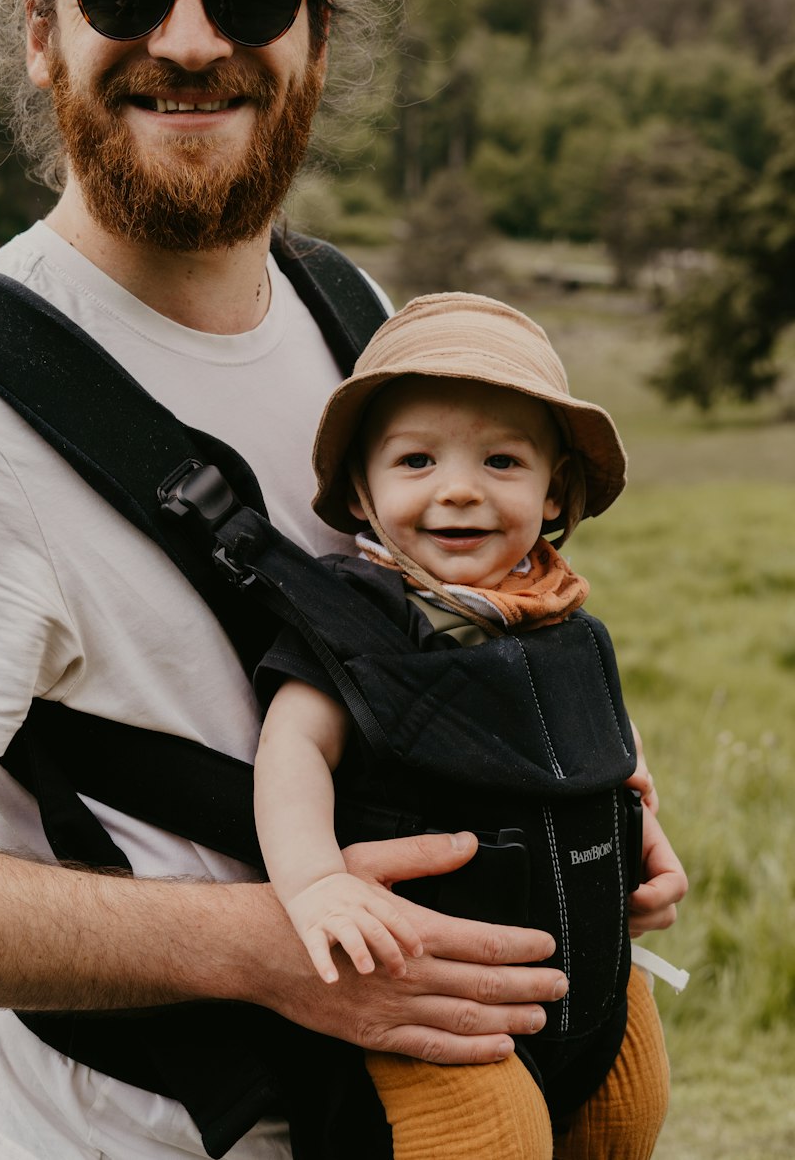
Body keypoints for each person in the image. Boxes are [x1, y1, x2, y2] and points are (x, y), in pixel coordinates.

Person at [0, 0, 685, 1160]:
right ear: (43, 30)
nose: (195, 39)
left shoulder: (359, 319)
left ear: (315, 35)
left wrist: (582, 822)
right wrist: (261, 941)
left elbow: (441, 639)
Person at [254, 291, 675, 1159]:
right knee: (490, 1138)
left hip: (590, 956)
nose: (458, 490)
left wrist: (642, 823)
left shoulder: (561, 621)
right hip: (436, 973)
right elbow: (292, 747)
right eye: (415, 460)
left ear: (553, 490)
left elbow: (605, 744)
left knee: (627, 1114)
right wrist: (313, 884)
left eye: (501, 461)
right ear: (360, 496)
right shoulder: (362, 628)